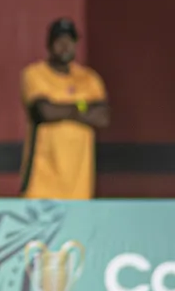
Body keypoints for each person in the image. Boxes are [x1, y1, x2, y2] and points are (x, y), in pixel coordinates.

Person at [20, 19, 109, 199]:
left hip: (80, 188)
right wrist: (83, 107)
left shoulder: (89, 79)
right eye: (60, 41)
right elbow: (45, 111)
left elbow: (102, 117)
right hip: (41, 186)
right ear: (49, 44)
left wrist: (61, 107)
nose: (65, 46)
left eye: (70, 41)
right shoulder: (34, 74)